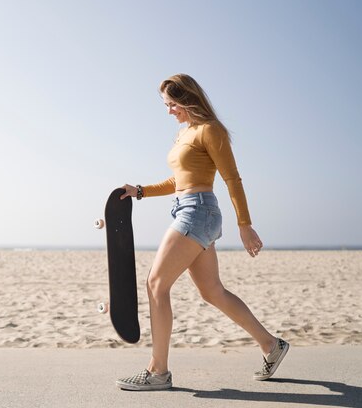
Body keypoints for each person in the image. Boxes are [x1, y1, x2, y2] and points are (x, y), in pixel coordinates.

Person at [116, 74, 289, 391]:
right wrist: (139, 191)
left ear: (187, 100)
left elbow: (232, 179)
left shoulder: (211, 130)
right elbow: (176, 182)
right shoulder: (184, 134)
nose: (169, 111)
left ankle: (158, 372)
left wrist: (245, 225)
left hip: (198, 211)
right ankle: (271, 345)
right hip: (189, 210)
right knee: (212, 291)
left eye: (171, 104)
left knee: (156, 283)